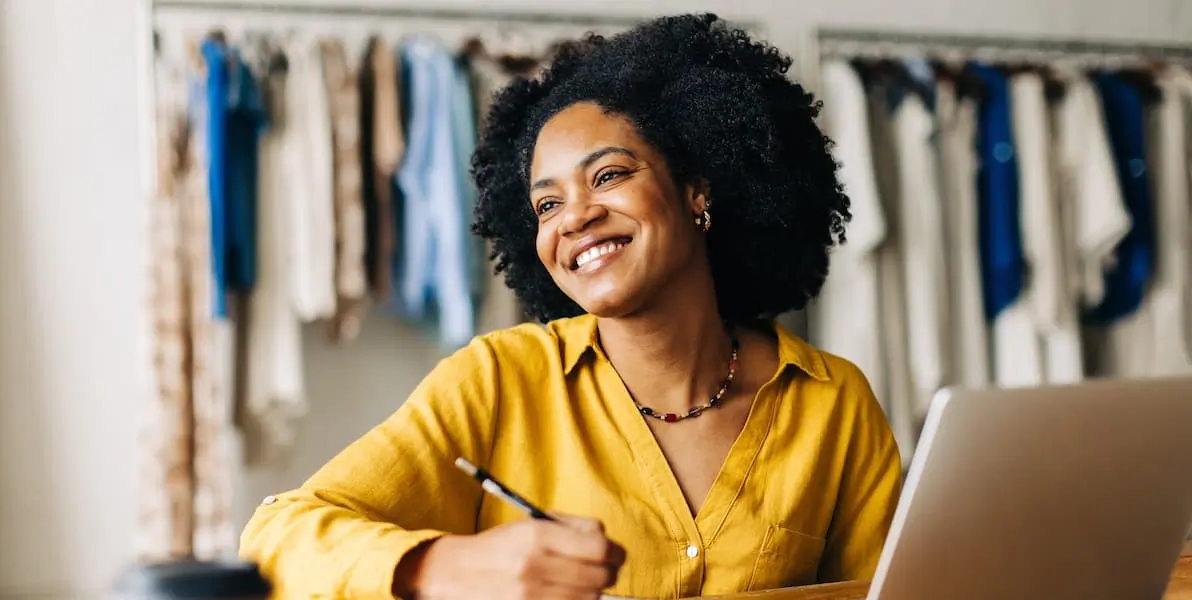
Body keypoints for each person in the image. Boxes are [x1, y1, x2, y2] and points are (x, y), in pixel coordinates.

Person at [239, 13, 902, 600]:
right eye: (547, 204)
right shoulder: (497, 383)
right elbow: (273, 539)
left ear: (697, 189)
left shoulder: (833, 404)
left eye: (608, 175)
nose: (574, 218)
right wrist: (439, 568)